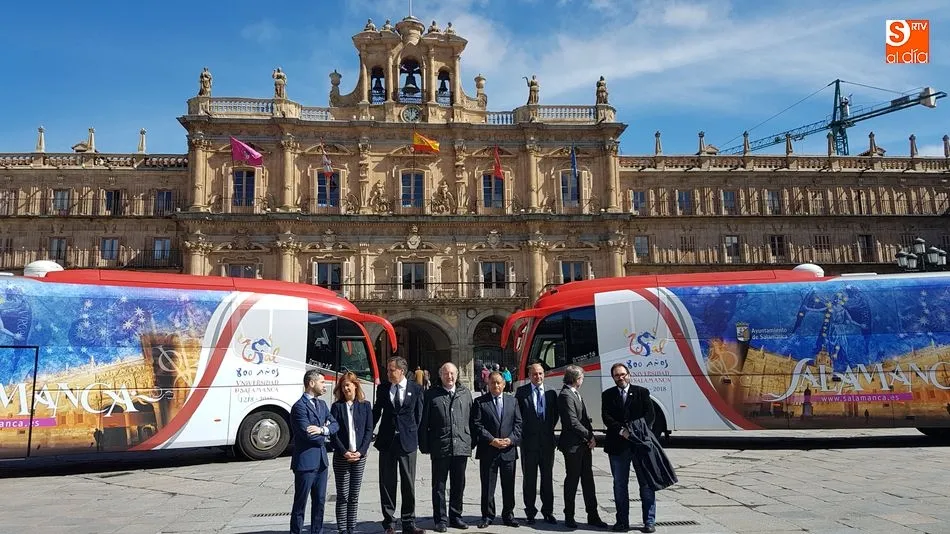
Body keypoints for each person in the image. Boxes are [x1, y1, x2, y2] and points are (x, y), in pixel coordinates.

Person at [373, 356, 426, 534]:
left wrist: (412, 434)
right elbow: (376, 412)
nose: (388, 373)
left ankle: (409, 522)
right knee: (387, 483)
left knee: (408, 483)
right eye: (388, 370)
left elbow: (419, 416)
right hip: (387, 442)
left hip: (407, 442)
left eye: (391, 370)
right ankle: (389, 522)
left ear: (401, 371)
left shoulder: (416, 389)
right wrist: (365, 435)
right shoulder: (383, 389)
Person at [419, 362, 474, 532]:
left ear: (456, 375)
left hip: (461, 446)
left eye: (452, 374)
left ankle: (456, 516)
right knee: (439, 486)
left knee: (459, 484)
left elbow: (472, 419)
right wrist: (425, 445)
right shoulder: (431, 395)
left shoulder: (465, 394)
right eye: (446, 374)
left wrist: (470, 441)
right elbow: (424, 422)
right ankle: (440, 519)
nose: (449, 377)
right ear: (440, 375)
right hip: (440, 446)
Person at [602, 362, 656, 532]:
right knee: (619, 485)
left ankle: (649, 521)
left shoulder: (641, 392)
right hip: (618, 446)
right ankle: (622, 521)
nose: (621, 378)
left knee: (646, 485)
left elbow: (650, 415)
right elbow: (606, 417)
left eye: (623, 374)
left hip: (639, 446)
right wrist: (621, 430)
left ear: (629, 374)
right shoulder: (608, 395)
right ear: (613, 378)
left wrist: (636, 431)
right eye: (617, 375)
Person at [557, 365, 608, 530]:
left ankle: (592, 515)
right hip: (573, 446)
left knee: (588, 481)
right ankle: (569, 515)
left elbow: (584, 418)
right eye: (581, 377)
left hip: (583, 445)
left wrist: (589, 437)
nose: (583, 380)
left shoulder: (575, 394)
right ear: (576, 379)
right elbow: (572, 422)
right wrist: (589, 436)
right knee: (572, 480)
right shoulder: (565, 395)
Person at [290, 370, 339, 534]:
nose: (324, 386)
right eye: (322, 382)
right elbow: (306, 434)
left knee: (320, 501)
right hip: (306, 462)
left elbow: (335, 425)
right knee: (301, 502)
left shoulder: (322, 405)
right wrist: (324, 434)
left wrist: (322, 430)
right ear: (311, 383)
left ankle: (317, 531)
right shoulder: (299, 407)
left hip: (322, 462)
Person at [472, 371, 523, 529]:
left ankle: (508, 515)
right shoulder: (480, 402)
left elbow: (519, 424)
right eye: (493, 383)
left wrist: (511, 439)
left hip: (508, 450)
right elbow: (477, 425)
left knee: (508, 485)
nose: (496, 386)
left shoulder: (512, 401)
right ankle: (487, 515)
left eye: (499, 383)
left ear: (504, 384)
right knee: (488, 486)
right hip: (489, 450)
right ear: (488, 384)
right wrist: (491, 440)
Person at [515, 362, 559, 525]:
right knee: (529, 479)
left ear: (544, 374)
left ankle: (548, 511)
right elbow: (518, 417)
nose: (538, 377)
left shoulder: (551, 393)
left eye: (540, 373)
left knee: (547, 478)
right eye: (534, 374)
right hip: (529, 443)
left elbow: (554, 416)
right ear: (529, 376)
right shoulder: (521, 392)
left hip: (547, 443)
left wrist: (546, 430)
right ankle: (530, 512)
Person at [329, 372, 373, 534]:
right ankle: (342, 529)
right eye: (343, 386)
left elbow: (369, 430)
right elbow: (333, 433)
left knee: (354, 495)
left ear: (355, 385)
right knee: (343, 495)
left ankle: (351, 528)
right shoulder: (336, 407)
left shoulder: (365, 405)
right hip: (342, 457)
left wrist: (361, 452)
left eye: (348, 385)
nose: (346, 388)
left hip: (360, 456)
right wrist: (343, 451)